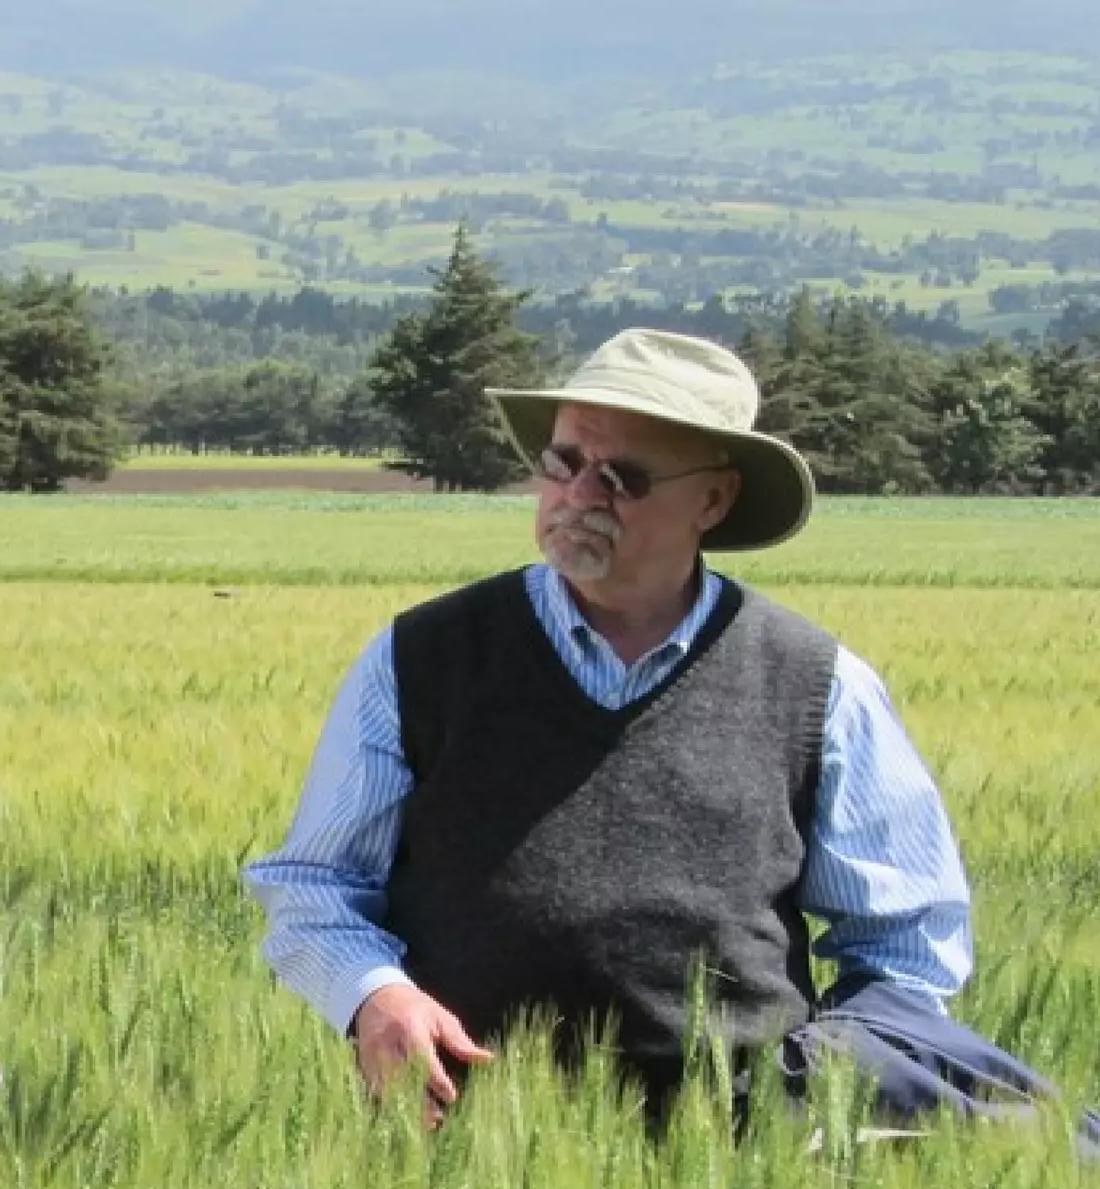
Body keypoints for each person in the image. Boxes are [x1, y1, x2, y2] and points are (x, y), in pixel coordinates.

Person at [247, 329, 1090, 1138]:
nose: (580, 495)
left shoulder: (815, 684)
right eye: (564, 462)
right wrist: (372, 996)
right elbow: (315, 887)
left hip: (747, 1160)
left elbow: (905, 945)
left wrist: (836, 1087)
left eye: (624, 477)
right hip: (463, 1151)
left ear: (713, 499)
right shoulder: (421, 657)